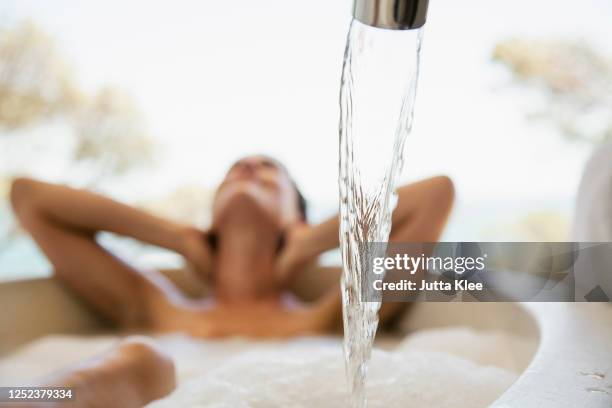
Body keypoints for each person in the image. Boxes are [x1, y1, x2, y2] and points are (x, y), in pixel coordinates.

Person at [8, 155, 454, 406]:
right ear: (212, 222)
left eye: (266, 171)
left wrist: (310, 241)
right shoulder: (154, 306)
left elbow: (434, 193)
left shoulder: (333, 318)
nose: (247, 169)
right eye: (234, 171)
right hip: (59, 392)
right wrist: (177, 237)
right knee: (139, 359)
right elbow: (29, 196)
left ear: (296, 218)